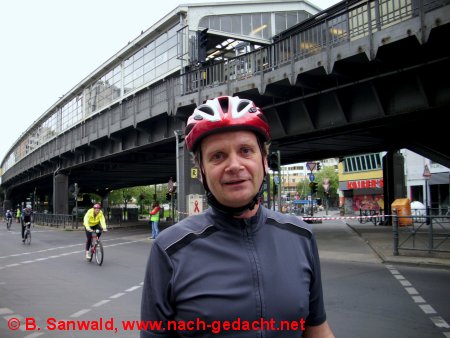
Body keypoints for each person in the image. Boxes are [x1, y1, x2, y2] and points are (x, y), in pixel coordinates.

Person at [141, 96, 335, 337]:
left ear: (264, 161)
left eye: (246, 150)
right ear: (201, 172)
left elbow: (316, 329)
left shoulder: (301, 236)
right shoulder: (169, 249)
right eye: (217, 156)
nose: (234, 165)